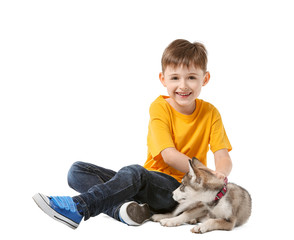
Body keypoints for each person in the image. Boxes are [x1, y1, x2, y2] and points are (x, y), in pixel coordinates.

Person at [33, 39, 233, 229]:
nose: (183, 85)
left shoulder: (210, 113)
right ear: (163, 79)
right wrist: (205, 173)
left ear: (204, 79)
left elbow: (223, 156)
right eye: (175, 78)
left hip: (180, 190)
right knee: (78, 171)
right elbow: (168, 154)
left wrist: (218, 174)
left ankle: (79, 207)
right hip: (147, 184)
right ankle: (124, 211)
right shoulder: (160, 107)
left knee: (134, 173)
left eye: (191, 77)